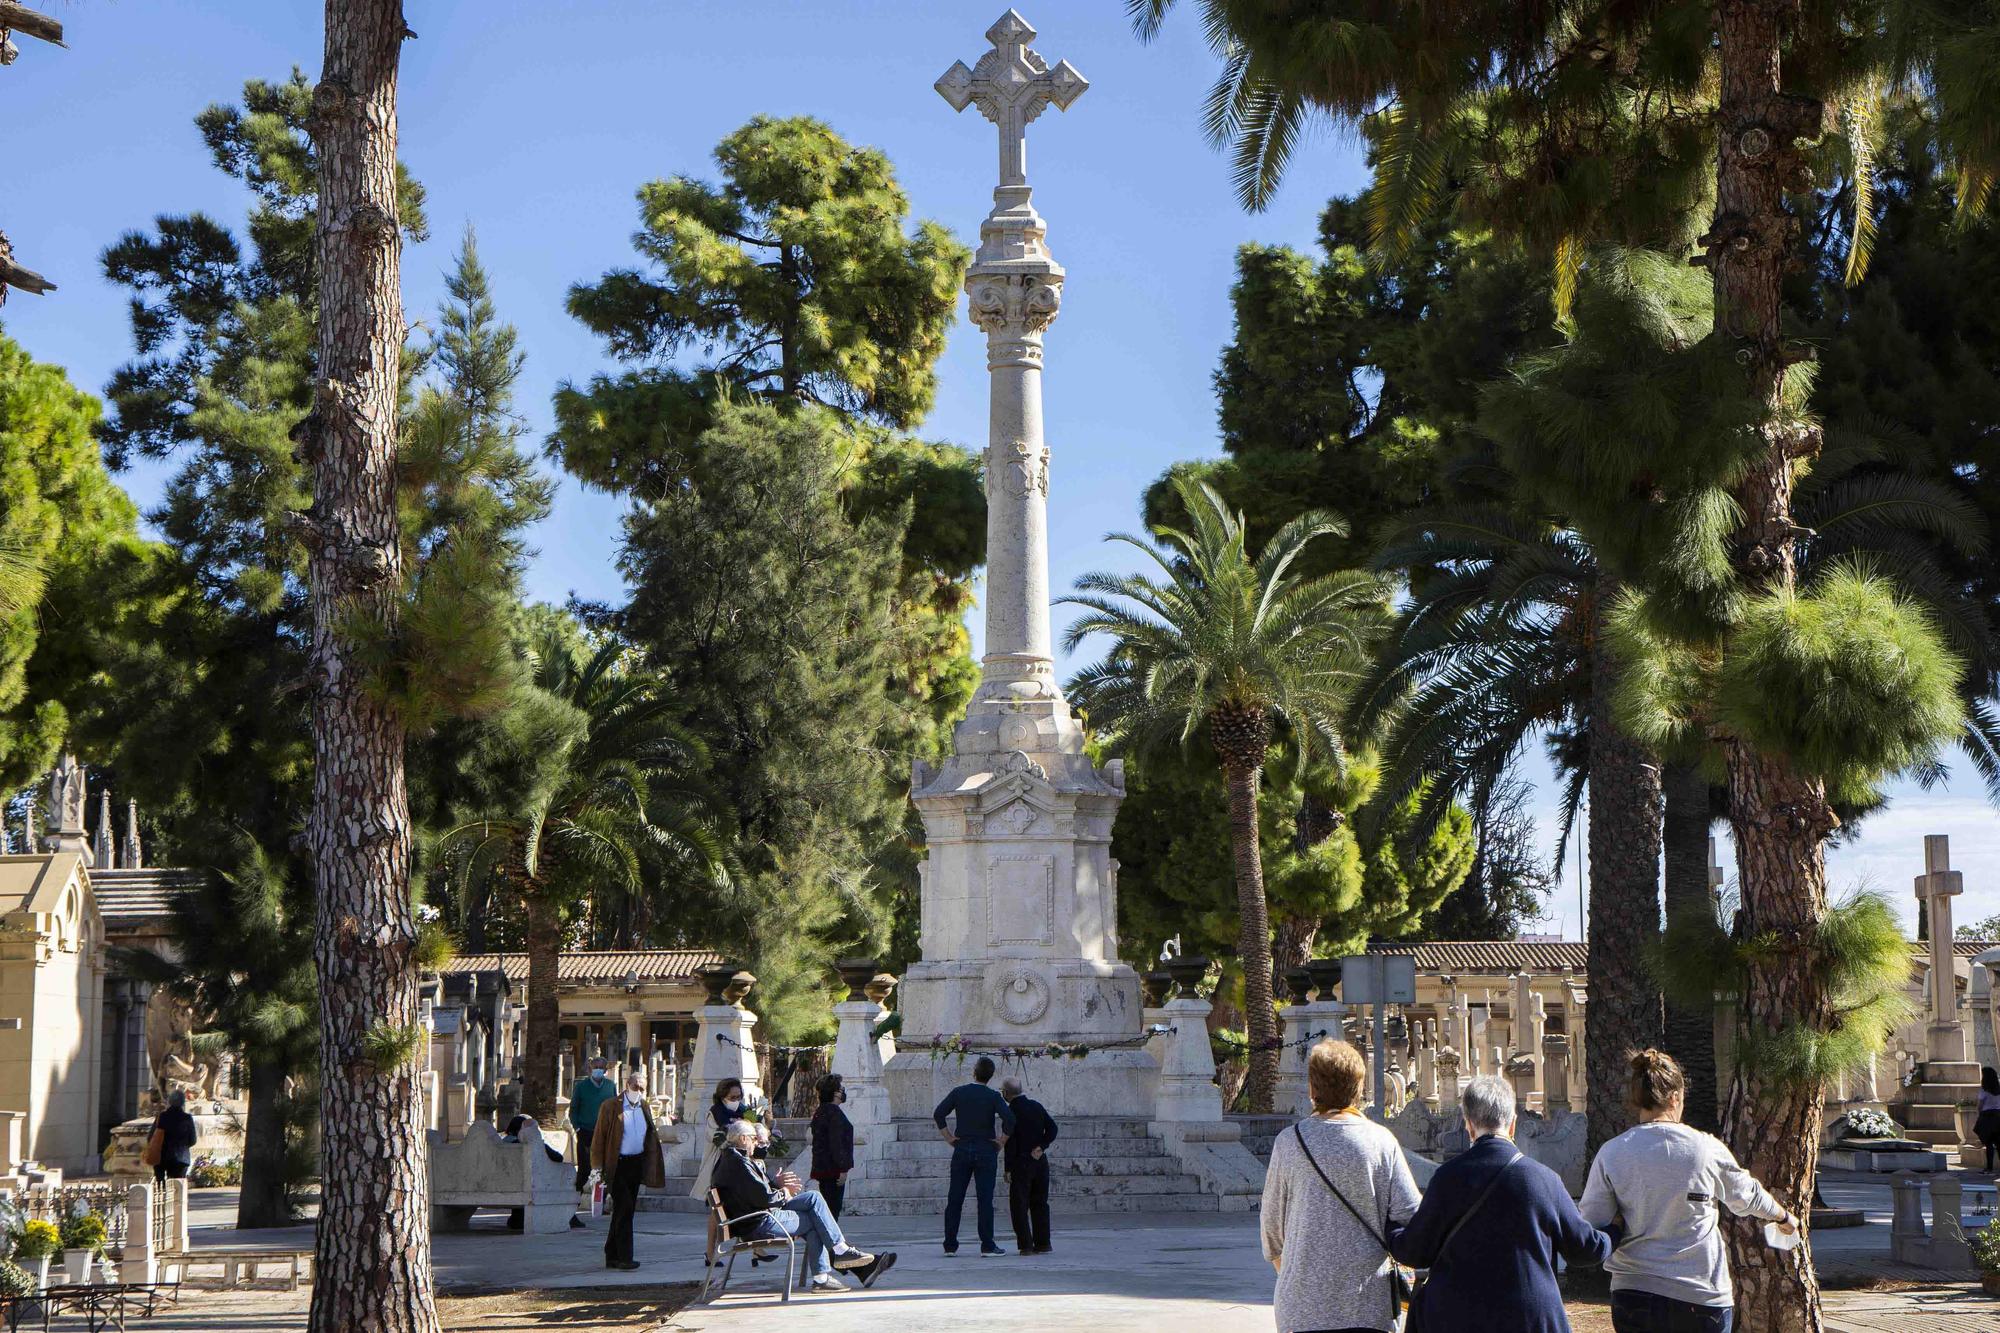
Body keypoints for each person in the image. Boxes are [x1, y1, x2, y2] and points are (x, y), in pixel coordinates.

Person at [1581, 1049, 1800, 1332]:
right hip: (1700, 1293)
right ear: (1675, 1097)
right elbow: (1747, 1195)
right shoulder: (1705, 1148)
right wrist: (1783, 1217)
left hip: (1633, 1290)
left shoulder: (1611, 1153)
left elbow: (1591, 1221)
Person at [1391, 1076, 1615, 1332]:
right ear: (1512, 1125)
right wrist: (1614, 1232)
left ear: (1469, 1125)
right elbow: (1585, 1249)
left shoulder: (1448, 1179)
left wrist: (1390, 1228)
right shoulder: (1543, 1179)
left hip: (1458, 1317)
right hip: (1529, 1319)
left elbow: (1414, 1250)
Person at [1260, 1039, 1420, 1333]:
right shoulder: (1381, 1141)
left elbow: (1271, 1229)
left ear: (1312, 1089)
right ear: (1359, 1088)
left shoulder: (1289, 1142)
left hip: (1302, 1309)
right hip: (1369, 1307)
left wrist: (1301, 1277)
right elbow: (1412, 1215)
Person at [712, 1117, 897, 1293]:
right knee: (813, 1219)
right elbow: (765, 1199)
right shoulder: (739, 1163)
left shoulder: (731, 1159)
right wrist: (784, 1191)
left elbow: (754, 1193)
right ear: (743, 1139)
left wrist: (775, 1184)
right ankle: (830, 1268)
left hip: (757, 1217)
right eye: (753, 1139)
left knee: (813, 1198)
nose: (756, 1144)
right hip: (760, 1222)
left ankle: (838, 1259)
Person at [933, 1054, 1016, 1257]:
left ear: (974, 1072)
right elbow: (1010, 1119)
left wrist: (949, 1137)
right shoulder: (993, 1096)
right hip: (985, 1148)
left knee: (955, 1198)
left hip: (962, 1147)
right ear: (990, 1076)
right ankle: (987, 1245)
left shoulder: (959, 1092)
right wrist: (1002, 1140)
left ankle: (950, 1245)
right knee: (985, 1200)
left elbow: (939, 1113)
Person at [589, 1073, 666, 1271]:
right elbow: (599, 1139)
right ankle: (625, 1257)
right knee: (624, 1207)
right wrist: (597, 1168)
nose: (638, 1090)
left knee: (626, 1210)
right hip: (616, 1165)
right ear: (627, 1085)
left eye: (642, 1088)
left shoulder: (645, 1106)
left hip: (636, 1163)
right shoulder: (610, 1106)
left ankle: (611, 1253)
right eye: (635, 1086)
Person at [1000, 1076, 1058, 1255]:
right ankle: (1043, 1243)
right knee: (1040, 1203)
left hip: (1020, 1162)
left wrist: (1008, 1168)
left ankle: (1026, 1245)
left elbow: (1010, 1143)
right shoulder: (1036, 1106)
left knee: (1019, 1205)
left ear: (1006, 1093)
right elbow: (1052, 1128)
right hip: (1040, 1161)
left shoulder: (1010, 1112)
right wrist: (1042, 1146)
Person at [688, 1077, 768, 1200]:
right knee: (719, 1202)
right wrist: (736, 1129)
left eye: (738, 1097)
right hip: (722, 1161)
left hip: (746, 1162)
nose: (736, 1100)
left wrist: (760, 1130)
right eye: (732, 1098)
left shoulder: (745, 1111)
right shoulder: (715, 1113)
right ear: (722, 1097)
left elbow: (758, 1130)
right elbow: (716, 1138)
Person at [501, 1114, 583, 1231]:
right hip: (532, 1185)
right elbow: (558, 1157)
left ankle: (517, 1217)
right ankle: (570, 1217)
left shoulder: (501, 1144)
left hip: (508, 1183)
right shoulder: (531, 1144)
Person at [567, 1056, 616, 1194]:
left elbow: (615, 1107)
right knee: (585, 1167)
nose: (598, 1070)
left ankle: (599, 1199)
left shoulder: (610, 1086)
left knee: (602, 1168)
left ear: (605, 1070)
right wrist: (577, 1127)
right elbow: (573, 1109)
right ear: (590, 1069)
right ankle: (577, 1198)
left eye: (601, 1068)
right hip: (585, 1131)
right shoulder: (581, 1087)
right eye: (596, 1068)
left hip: (604, 1132)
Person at [810, 1073, 855, 1218]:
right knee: (832, 1209)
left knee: (829, 1207)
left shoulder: (821, 1111)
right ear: (835, 1093)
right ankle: (830, 1239)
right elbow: (836, 1142)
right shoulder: (833, 1113)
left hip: (824, 1168)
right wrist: (842, 1168)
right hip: (833, 1170)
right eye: (841, 1089)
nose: (843, 1092)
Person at [150, 1090, 199, 1184]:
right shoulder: (187, 1118)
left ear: (170, 1102)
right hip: (181, 1158)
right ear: (183, 1102)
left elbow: (151, 1136)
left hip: (161, 1156)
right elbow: (193, 1140)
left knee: (160, 1186)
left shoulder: (162, 1117)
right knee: (177, 1188)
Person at [1975, 1066, 2000, 1173]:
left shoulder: (1984, 1090)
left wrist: (1979, 1115)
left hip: (1987, 1116)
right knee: (1999, 1143)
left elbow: (1980, 1105)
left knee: (1988, 1143)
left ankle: (1989, 1167)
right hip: (1998, 1116)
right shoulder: (1998, 1089)